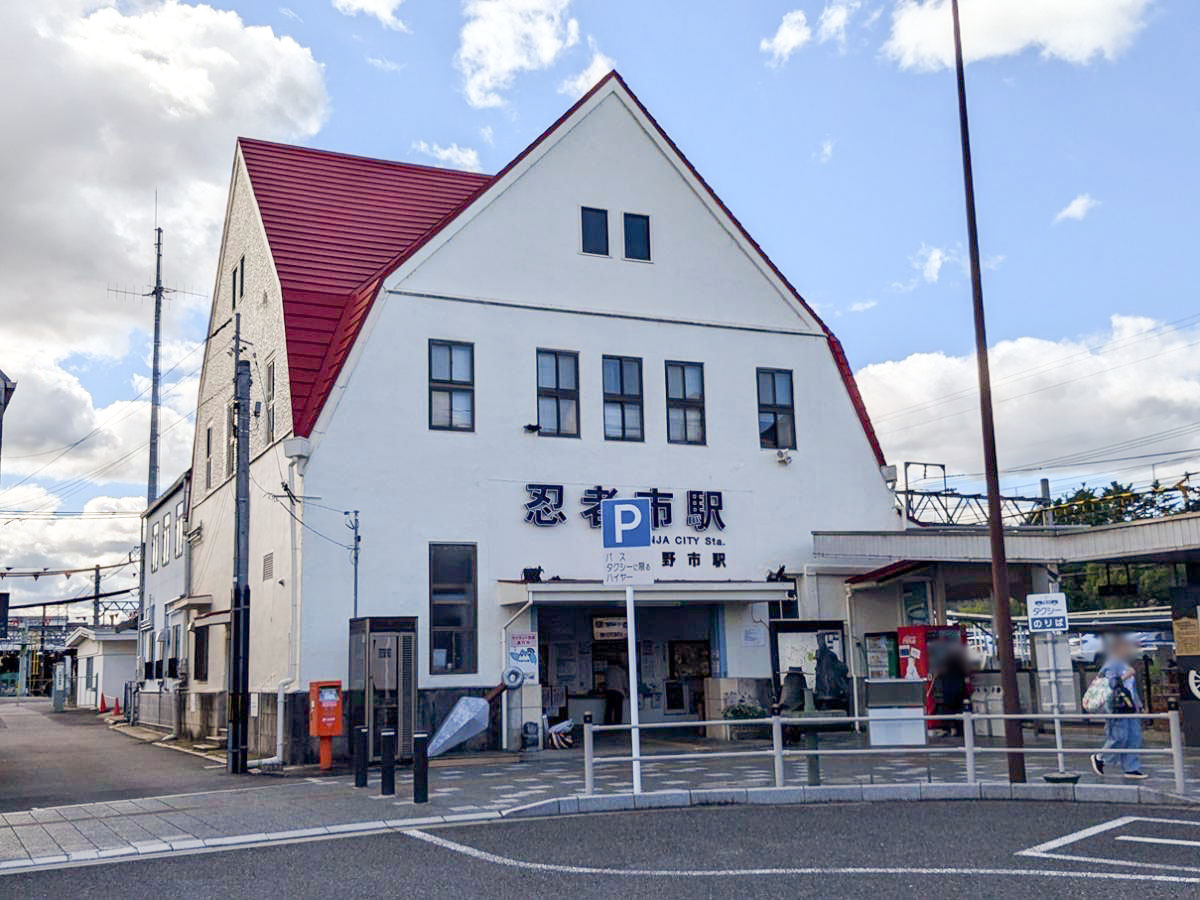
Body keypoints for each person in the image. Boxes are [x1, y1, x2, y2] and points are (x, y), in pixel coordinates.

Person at [1091, 636, 1147, 780]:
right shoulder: (1111, 664)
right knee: (1119, 736)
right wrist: (1127, 675)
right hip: (1116, 706)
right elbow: (1110, 684)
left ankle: (1131, 768)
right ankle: (1100, 757)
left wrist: (1138, 703)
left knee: (1134, 737)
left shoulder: (1123, 663)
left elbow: (1130, 688)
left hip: (1129, 705)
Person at [604, 660, 628, 725]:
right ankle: (617, 726)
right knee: (618, 711)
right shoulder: (622, 671)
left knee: (608, 710)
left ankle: (607, 725)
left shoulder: (607, 670)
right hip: (618, 692)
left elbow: (605, 682)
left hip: (609, 692)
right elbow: (625, 685)